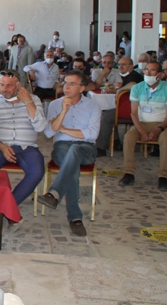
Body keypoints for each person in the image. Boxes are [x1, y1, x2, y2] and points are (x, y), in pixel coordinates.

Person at [37, 71, 101, 237]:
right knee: (72, 163)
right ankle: (75, 218)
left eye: (72, 84)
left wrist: (64, 130)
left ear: (82, 88)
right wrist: (64, 111)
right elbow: (49, 132)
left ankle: (54, 193)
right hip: (62, 147)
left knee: (75, 151)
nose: (66, 87)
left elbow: (92, 134)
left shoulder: (93, 106)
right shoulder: (55, 105)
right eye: (65, 83)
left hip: (86, 148)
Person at [0, 70, 47, 223]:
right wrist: (1, 147)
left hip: (26, 147)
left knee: (37, 171)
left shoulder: (34, 100)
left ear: (19, 85)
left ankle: (5, 207)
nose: (4, 89)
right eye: (2, 85)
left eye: (9, 85)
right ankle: (2, 209)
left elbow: (40, 127)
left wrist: (28, 102)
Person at [119, 62, 167, 192]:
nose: (148, 73)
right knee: (128, 137)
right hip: (142, 123)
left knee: (166, 140)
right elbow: (133, 113)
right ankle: (128, 173)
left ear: (159, 74)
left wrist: (159, 129)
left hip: (162, 124)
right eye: (146, 70)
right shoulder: (137, 88)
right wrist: (142, 131)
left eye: (152, 70)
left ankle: (163, 176)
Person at [94, 57, 143, 156]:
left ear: (131, 66)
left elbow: (133, 85)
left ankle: (100, 148)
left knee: (105, 117)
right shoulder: (127, 76)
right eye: (119, 64)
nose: (120, 66)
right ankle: (116, 142)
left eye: (124, 64)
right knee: (106, 113)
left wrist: (120, 90)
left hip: (133, 110)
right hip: (125, 107)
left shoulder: (135, 76)